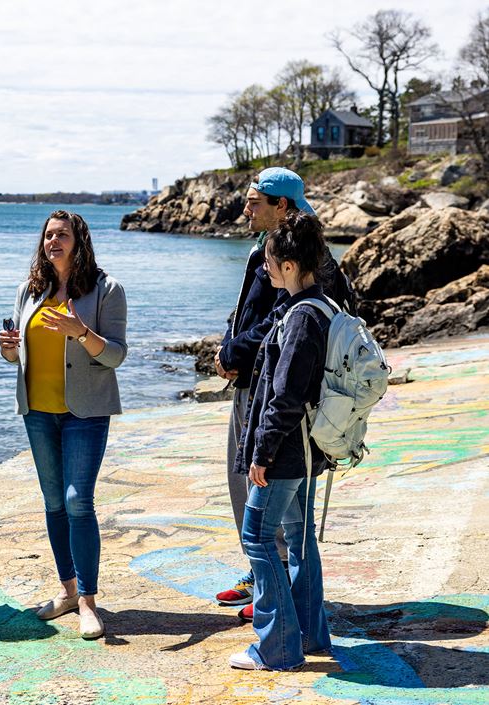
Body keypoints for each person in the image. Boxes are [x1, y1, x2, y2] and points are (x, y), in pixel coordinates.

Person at [213, 166, 350, 621]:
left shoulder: (304, 260)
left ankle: (276, 590)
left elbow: (284, 321)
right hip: (257, 380)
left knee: (268, 488)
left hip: (278, 389)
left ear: (282, 206)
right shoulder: (265, 251)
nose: (246, 208)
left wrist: (233, 351)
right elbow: (259, 314)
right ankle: (264, 577)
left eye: (255, 202)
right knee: (252, 486)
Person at [0, 210, 127, 640]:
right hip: (38, 411)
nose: (54, 241)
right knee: (54, 502)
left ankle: (89, 601)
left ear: (80, 241)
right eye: (49, 235)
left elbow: (115, 355)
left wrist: (80, 331)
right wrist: (10, 350)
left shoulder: (107, 290)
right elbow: (18, 358)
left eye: (63, 235)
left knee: (77, 501)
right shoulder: (29, 290)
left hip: (85, 413)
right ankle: (68, 592)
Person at [228, 210, 333, 671]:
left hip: (286, 453)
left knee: (257, 538)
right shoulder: (320, 307)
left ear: (289, 265)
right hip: (308, 451)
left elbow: (286, 396)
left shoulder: (302, 317)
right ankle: (311, 636)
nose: (264, 268)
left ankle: (277, 648)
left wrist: (262, 453)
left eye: (269, 261)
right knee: (298, 536)